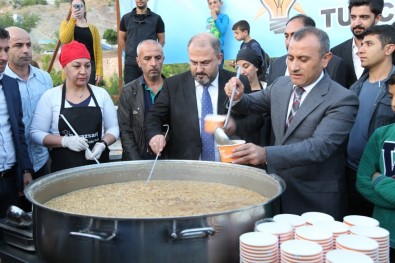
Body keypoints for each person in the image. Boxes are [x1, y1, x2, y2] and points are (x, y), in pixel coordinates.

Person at [224, 27, 359, 220]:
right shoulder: (281, 85)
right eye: (290, 57)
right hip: (277, 193)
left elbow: (318, 147)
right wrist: (237, 96)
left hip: (315, 202)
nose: (294, 66)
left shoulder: (342, 99)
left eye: (303, 59)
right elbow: (250, 103)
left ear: (325, 59)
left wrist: (265, 154)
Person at [144, 32, 251, 161]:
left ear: (219, 58)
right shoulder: (173, 86)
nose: (199, 69)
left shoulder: (237, 83)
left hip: (229, 165)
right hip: (187, 168)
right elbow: (153, 117)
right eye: (194, 63)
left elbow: (255, 121)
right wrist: (155, 135)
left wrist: (235, 125)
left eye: (205, 63)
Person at [30, 41, 119, 172]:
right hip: (64, 168)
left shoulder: (101, 94)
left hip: (98, 165)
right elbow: (36, 133)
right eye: (77, 66)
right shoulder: (51, 97)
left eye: (87, 66)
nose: (83, 71)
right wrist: (65, 141)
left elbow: (113, 127)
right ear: (64, 68)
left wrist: (102, 144)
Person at [346, 24, 395, 217]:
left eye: (369, 44)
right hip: (350, 173)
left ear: (389, 48)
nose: (360, 50)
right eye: (360, 44)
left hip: (382, 180)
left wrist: (378, 178)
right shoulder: (355, 88)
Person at [4, 26, 52, 179]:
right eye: (18, 45)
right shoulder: (3, 82)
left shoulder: (44, 78)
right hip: (12, 164)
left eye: (29, 45)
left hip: (42, 159)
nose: (26, 50)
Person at [357, 73, 395, 260]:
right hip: (381, 235)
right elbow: (362, 181)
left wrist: (379, 180)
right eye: (392, 96)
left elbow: (371, 180)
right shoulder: (382, 134)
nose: (394, 103)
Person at [0, 28, 33, 217]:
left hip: (10, 179)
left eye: (5, 49)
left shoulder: (10, 85)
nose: (3, 57)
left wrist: (25, 169)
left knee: (10, 237)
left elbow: (18, 131)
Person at [267, 14, 348, 88]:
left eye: (295, 35)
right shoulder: (276, 65)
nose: (289, 41)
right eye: (286, 36)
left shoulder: (334, 65)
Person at [118, 40, 165, 160]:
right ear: (138, 62)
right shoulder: (128, 92)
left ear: (163, 59)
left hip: (168, 161)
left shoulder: (174, 89)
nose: (153, 63)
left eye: (158, 58)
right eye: (147, 58)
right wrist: (137, 164)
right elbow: (125, 132)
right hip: (138, 160)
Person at [331, 0, 384, 88]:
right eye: (353, 17)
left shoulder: (388, 52)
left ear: (377, 18)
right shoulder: (336, 52)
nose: (357, 23)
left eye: (364, 17)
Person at [119, 0, 165, 84]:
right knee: (131, 91)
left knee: (151, 89)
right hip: (131, 64)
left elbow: (161, 41)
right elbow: (121, 39)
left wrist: (152, 55)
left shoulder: (157, 19)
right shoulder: (126, 18)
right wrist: (130, 52)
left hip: (150, 64)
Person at [59, 0, 103, 85]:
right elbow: (64, 40)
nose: (77, 9)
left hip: (89, 65)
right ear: (71, 9)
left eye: (80, 6)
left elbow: (98, 51)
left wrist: (99, 70)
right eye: (74, 6)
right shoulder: (65, 24)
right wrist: (72, 20)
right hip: (72, 65)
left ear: (85, 9)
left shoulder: (93, 28)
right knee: (71, 93)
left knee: (88, 92)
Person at [234, 48, 271, 148]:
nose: (241, 71)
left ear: (256, 67)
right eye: (238, 67)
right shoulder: (235, 95)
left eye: (246, 66)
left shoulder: (269, 90)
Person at [206, 0, 229, 69]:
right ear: (209, 6)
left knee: (218, 72)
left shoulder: (224, 17)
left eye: (215, 2)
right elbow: (207, 33)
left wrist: (215, 18)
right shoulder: (208, 19)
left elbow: (222, 30)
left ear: (221, 4)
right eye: (210, 3)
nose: (213, 5)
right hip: (208, 49)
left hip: (218, 49)